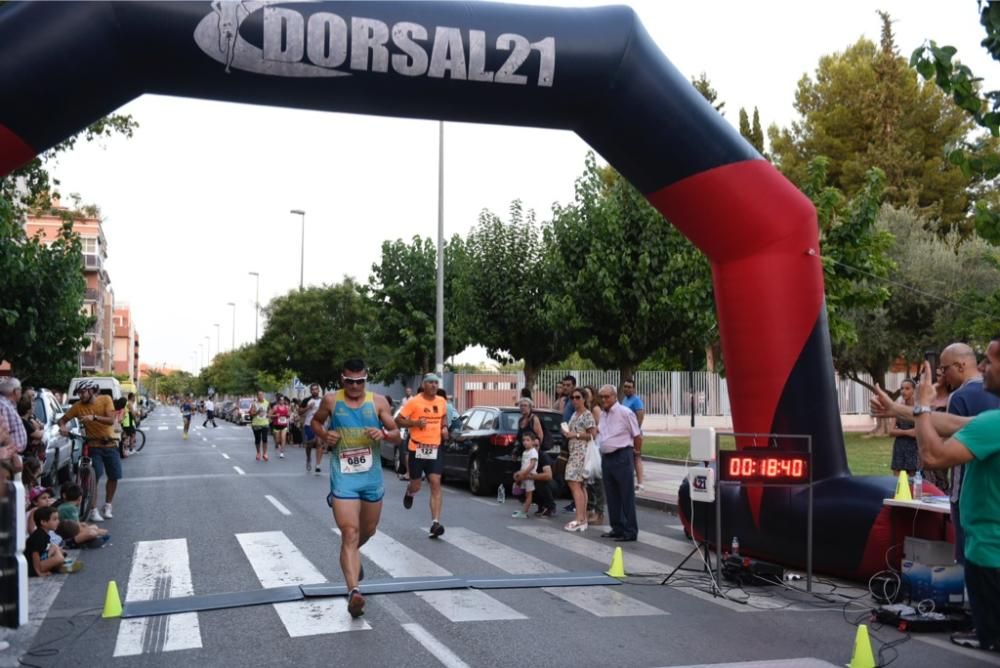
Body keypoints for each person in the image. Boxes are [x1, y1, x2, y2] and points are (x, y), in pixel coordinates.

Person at [873, 345, 1000, 654]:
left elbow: (932, 455)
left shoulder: (994, 423)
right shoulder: (992, 421)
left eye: (990, 360)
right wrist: (899, 409)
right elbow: (952, 425)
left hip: (991, 550)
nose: (982, 367)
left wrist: (920, 407)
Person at [311, 358, 401, 618]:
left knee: (368, 531)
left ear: (366, 378)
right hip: (344, 478)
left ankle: (352, 557)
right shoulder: (331, 400)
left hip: (371, 479)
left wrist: (384, 434)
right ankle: (354, 592)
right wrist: (324, 435)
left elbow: (396, 435)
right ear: (342, 379)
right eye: (349, 381)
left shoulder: (379, 402)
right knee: (350, 532)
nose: (354, 386)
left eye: (359, 381)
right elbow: (316, 422)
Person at [58, 380, 120, 522]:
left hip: (110, 444)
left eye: (82, 392)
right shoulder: (78, 407)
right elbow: (62, 420)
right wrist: (62, 427)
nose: (80, 396)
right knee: (94, 477)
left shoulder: (105, 399)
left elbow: (111, 420)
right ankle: (92, 510)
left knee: (114, 476)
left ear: (91, 391)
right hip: (93, 445)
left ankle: (108, 505)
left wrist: (94, 417)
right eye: (78, 393)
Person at [397, 373, 449, 538]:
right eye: (431, 383)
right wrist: (415, 423)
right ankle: (410, 492)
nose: (434, 385)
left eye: (436, 383)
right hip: (417, 448)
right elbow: (399, 420)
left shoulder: (441, 401)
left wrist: (445, 427)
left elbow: (444, 417)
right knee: (417, 485)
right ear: (424, 385)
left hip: (435, 448)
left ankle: (435, 523)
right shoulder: (414, 402)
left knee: (435, 482)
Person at [596, 384, 641, 541]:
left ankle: (630, 530)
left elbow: (637, 435)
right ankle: (617, 527)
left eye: (607, 396)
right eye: (601, 397)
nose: (604, 400)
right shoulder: (603, 414)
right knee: (612, 495)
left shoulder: (625, 413)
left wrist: (636, 454)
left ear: (615, 396)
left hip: (622, 455)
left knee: (626, 494)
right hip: (607, 457)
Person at [561, 388, 596, 531]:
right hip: (574, 451)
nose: (574, 400)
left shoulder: (587, 415)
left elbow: (592, 434)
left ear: (584, 398)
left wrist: (574, 435)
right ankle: (583, 518)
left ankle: (580, 518)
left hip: (581, 453)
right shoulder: (575, 414)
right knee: (580, 485)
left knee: (574, 483)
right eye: (572, 398)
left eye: (577, 397)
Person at [888, 378, 918, 476]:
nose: (903, 391)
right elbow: (891, 431)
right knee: (898, 482)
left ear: (914, 390)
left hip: (915, 448)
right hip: (900, 447)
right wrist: (908, 432)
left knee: (913, 483)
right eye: (902, 388)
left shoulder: (918, 409)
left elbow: (919, 432)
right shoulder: (898, 408)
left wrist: (900, 431)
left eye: (907, 388)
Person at [25, 506, 65, 576]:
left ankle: (57, 566)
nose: (58, 521)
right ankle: (57, 566)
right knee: (59, 558)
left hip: (40, 562)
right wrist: (38, 572)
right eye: (55, 519)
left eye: (58, 519)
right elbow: (35, 555)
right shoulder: (39, 536)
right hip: (31, 568)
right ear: (43, 522)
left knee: (56, 548)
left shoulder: (44, 534)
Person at [621, 379, 646, 491]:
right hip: (626, 434)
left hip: (634, 434)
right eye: (625, 386)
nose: (627, 389)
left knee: (636, 457)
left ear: (634, 388)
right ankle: (629, 481)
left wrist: (635, 433)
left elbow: (640, 417)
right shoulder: (624, 399)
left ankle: (640, 484)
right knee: (629, 457)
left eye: (629, 387)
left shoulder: (636, 401)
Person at [512, 431, 539, 518]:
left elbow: (532, 465)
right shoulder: (525, 452)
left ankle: (524, 512)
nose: (525, 442)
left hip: (529, 475)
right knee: (524, 493)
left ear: (533, 441)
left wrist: (524, 473)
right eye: (524, 440)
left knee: (528, 494)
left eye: (528, 440)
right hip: (524, 475)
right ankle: (523, 509)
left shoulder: (533, 451)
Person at [0, 377, 27, 466]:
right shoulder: (3, 406)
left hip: (12, 455)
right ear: (15, 391)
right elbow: (5, 434)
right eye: (20, 390)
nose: (21, 393)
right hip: (10, 457)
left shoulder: (9, 405)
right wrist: (14, 456)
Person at [301, 384, 324, 475]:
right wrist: (308, 407)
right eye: (313, 390)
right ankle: (308, 458)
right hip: (308, 424)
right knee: (310, 443)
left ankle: (318, 465)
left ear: (319, 391)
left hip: (319, 424)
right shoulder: (306, 400)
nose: (315, 391)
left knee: (319, 443)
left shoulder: (323, 400)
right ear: (310, 391)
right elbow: (299, 412)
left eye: (316, 389)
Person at [249, 390, 270, 461]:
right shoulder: (254, 404)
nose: (261, 396)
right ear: (257, 396)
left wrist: (269, 415)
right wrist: (257, 412)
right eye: (259, 395)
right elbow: (251, 413)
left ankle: (265, 453)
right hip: (256, 424)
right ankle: (258, 452)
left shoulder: (267, 403)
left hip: (265, 423)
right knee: (257, 439)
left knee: (265, 439)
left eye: (262, 395)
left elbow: (270, 411)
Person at [270, 395, 290, 459]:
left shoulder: (287, 407)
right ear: (278, 401)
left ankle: (282, 453)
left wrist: (288, 415)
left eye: (283, 400)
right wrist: (275, 415)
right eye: (281, 400)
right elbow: (269, 415)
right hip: (276, 425)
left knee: (283, 438)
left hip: (284, 425)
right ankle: (277, 444)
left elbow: (289, 415)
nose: (282, 401)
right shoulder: (275, 407)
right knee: (278, 440)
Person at [120, 392, 138, 456]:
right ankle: (131, 449)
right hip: (128, 423)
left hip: (126, 422)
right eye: (134, 397)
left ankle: (125, 450)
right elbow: (132, 413)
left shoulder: (128, 403)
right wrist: (136, 420)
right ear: (132, 397)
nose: (135, 398)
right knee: (133, 435)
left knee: (126, 436)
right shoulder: (129, 404)